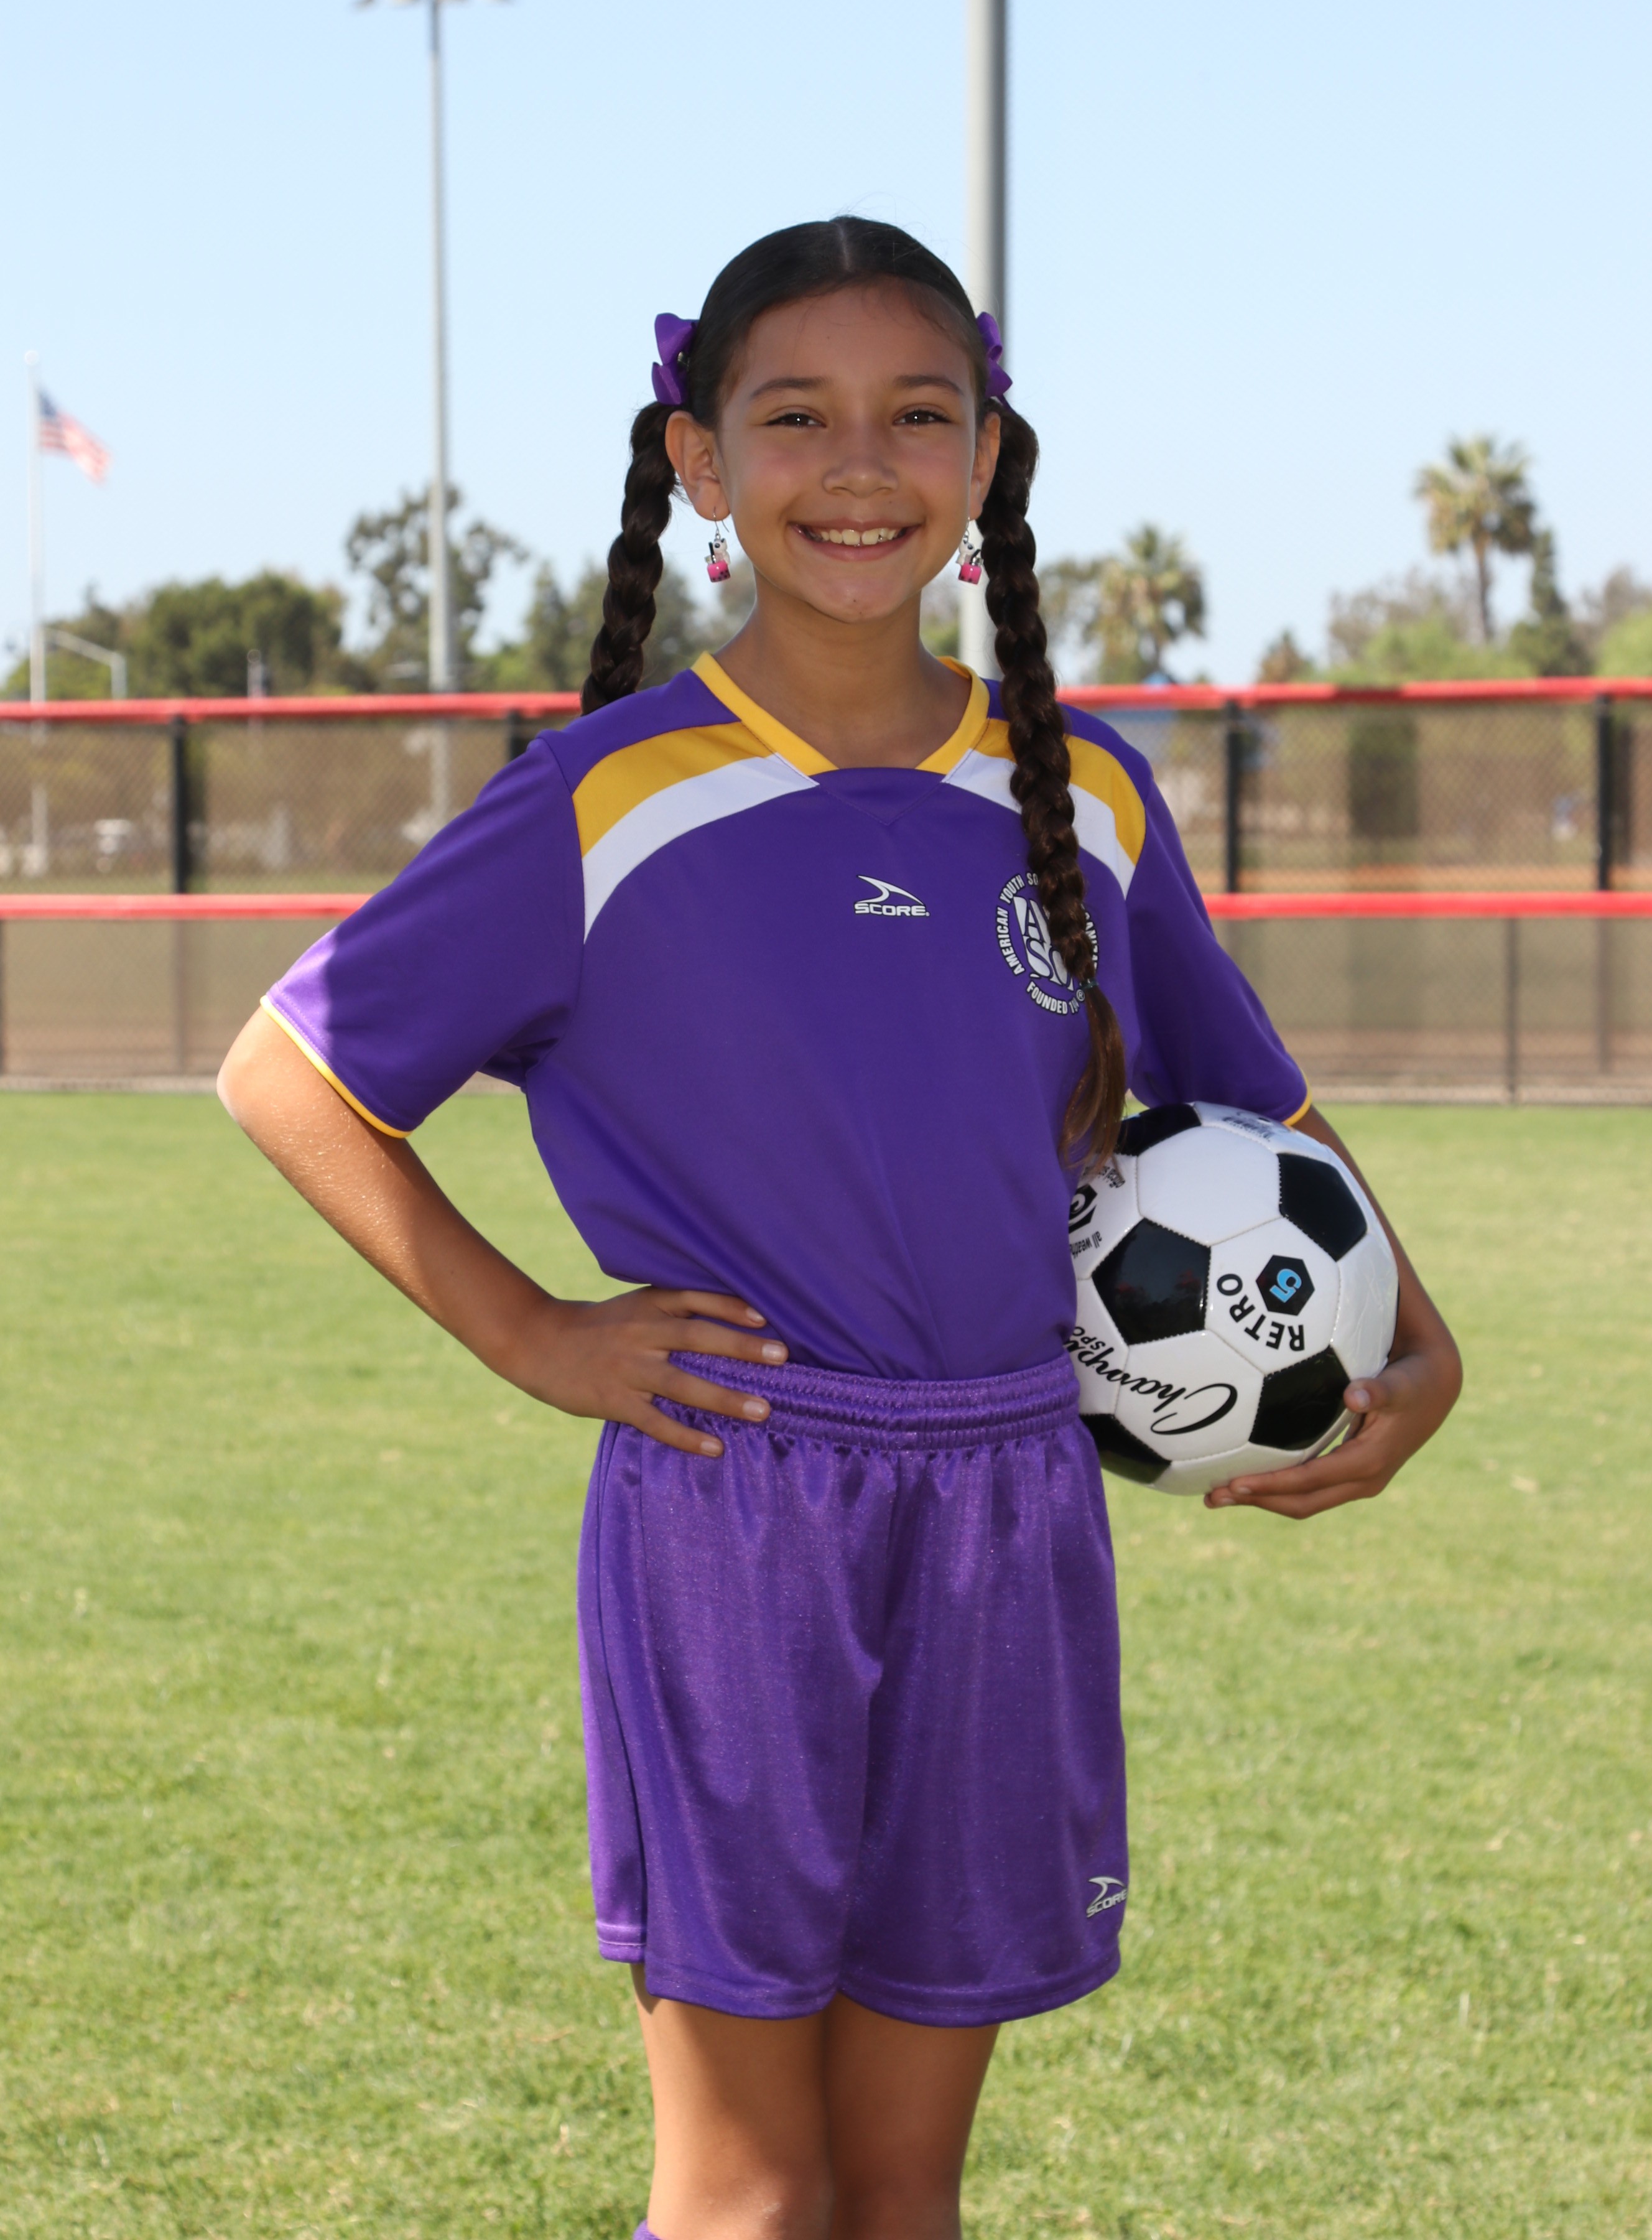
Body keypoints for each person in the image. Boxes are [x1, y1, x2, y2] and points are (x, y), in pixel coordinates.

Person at [217, 218, 1461, 2240]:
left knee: (899, 2188)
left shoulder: (1084, 796)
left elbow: (1261, 1107)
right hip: (739, 1503)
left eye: (918, 416)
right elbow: (291, 1073)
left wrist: (1423, 1333)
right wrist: (537, 1334)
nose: (860, 466)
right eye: (796, 418)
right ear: (701, 461)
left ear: (988, 457)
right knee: (753, 2193)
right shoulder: (608, 799)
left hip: (1011, 1497)